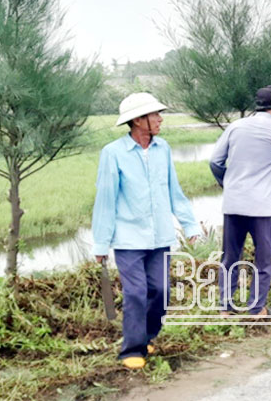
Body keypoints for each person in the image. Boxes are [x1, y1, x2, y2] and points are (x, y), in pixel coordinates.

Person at [92, 93, 203, 370]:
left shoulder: (162, 148)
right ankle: (131, 348)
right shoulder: (113, 153)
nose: (160, 119)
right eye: (155, 115)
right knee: (136, 292)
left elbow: (173, 190)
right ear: (138, 121)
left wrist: (190, 225)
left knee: (161, 290)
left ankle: (148, 336)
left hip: (160, 236)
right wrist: (101, 243)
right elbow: (105, 200)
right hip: (129, 238)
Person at [210, 86, 271, 318]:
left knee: (230, 257)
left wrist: (229, 184)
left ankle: (225, 308)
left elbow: (215, 161)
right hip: (262, 208)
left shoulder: (235, 127)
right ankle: (256, 309)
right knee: (264, 260)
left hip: (234, 204)